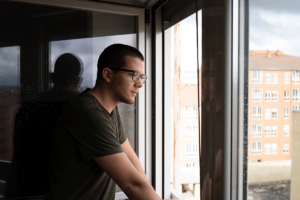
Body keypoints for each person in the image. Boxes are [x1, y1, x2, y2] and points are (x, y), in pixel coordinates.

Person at [45, 44, 175, 200]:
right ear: (107, 74)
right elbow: (132, 184)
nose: (140, 84)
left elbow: (131, 160)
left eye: (142, 77)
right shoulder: (87, 113)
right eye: (134, 75)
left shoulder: (108, 111)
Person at [12, 53, 83, 197]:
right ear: (78, 81)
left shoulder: (28, 107)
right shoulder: (84, 109)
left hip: (31, 186)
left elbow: (18, 159)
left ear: (52, 77)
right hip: (70, 189)